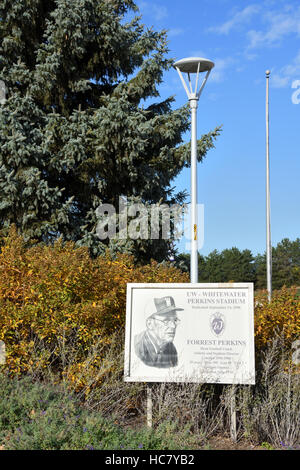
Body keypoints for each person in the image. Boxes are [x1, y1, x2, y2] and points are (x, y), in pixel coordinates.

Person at [134, 296, 183, 368]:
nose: (173, 326)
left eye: (175, 320)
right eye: (166, 320)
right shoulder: (138, 346)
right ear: (149, 324)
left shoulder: (171, 349)